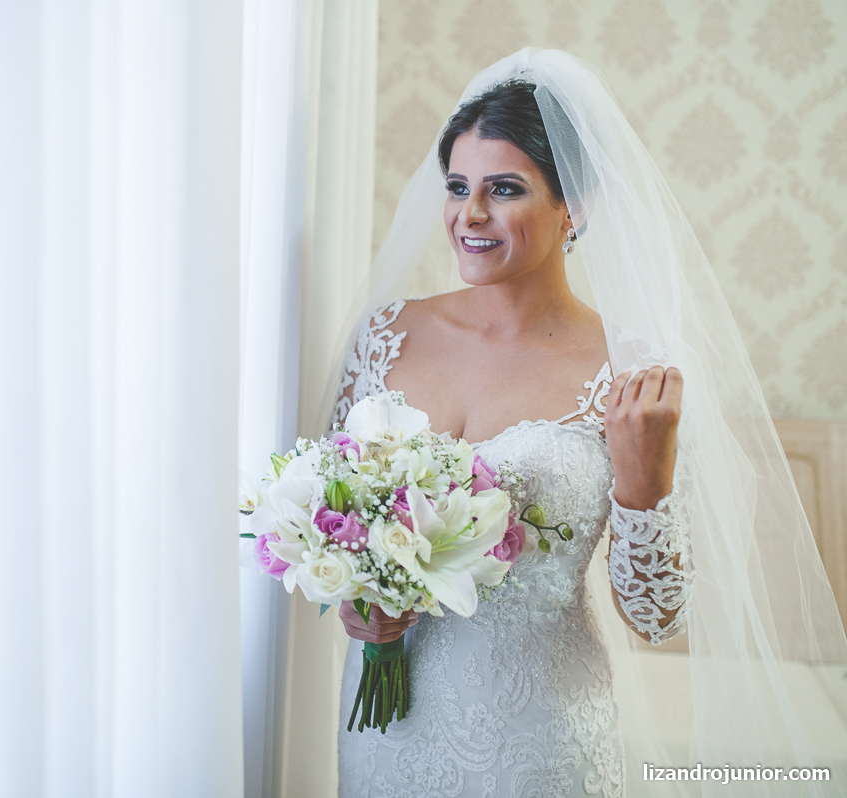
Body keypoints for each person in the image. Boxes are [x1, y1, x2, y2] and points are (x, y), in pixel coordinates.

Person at [324, 49, 846, 798]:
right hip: (385, 731)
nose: (469, 215)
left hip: (539, 739)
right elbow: (339, 513)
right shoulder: (387, 336)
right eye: (458, 187)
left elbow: (656, 618)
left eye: (504, 190)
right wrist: (360, 603)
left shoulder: (633, 377)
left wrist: (644, 483)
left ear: (576, 206)